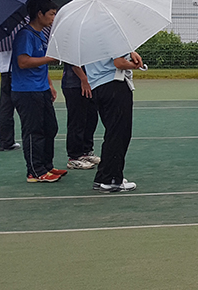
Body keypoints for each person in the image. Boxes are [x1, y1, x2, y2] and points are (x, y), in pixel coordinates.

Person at [13, 0, 63, 183]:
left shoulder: (41, 34)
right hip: (26, 91)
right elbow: (23, 61)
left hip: (40, 88)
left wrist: (49, 84)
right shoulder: (25, 35)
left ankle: (47, 166)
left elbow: (40, 63)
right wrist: (50, 59)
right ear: (39, 14)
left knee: (50, 127)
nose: (53, 18)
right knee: (34, 131)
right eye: (51, 14)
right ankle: (34, 171)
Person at [86, 51, 144, 192]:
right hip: (114, 84)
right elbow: (119, 62)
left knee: (113, 132)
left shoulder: (91, 36)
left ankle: (104, 176)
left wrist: (130, 52)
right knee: (119, 134)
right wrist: (134, 65)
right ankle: (111, 179)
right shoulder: (112, 34)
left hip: (97, 85)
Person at [60, 63, 100, 169]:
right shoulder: (72, 45)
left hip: (90, 83)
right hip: (74, 85)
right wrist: (84, 79)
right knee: (77, 121)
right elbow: (72, 62)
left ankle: (86, 151)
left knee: (91, 118)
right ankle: (74, 157)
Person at [0, 47, 20, 151]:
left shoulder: (0, 38)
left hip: (4, 70)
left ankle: (5, 141)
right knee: (25, 105)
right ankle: (7, 141)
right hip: (14, 70)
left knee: (5, 106)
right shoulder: (17, 36)